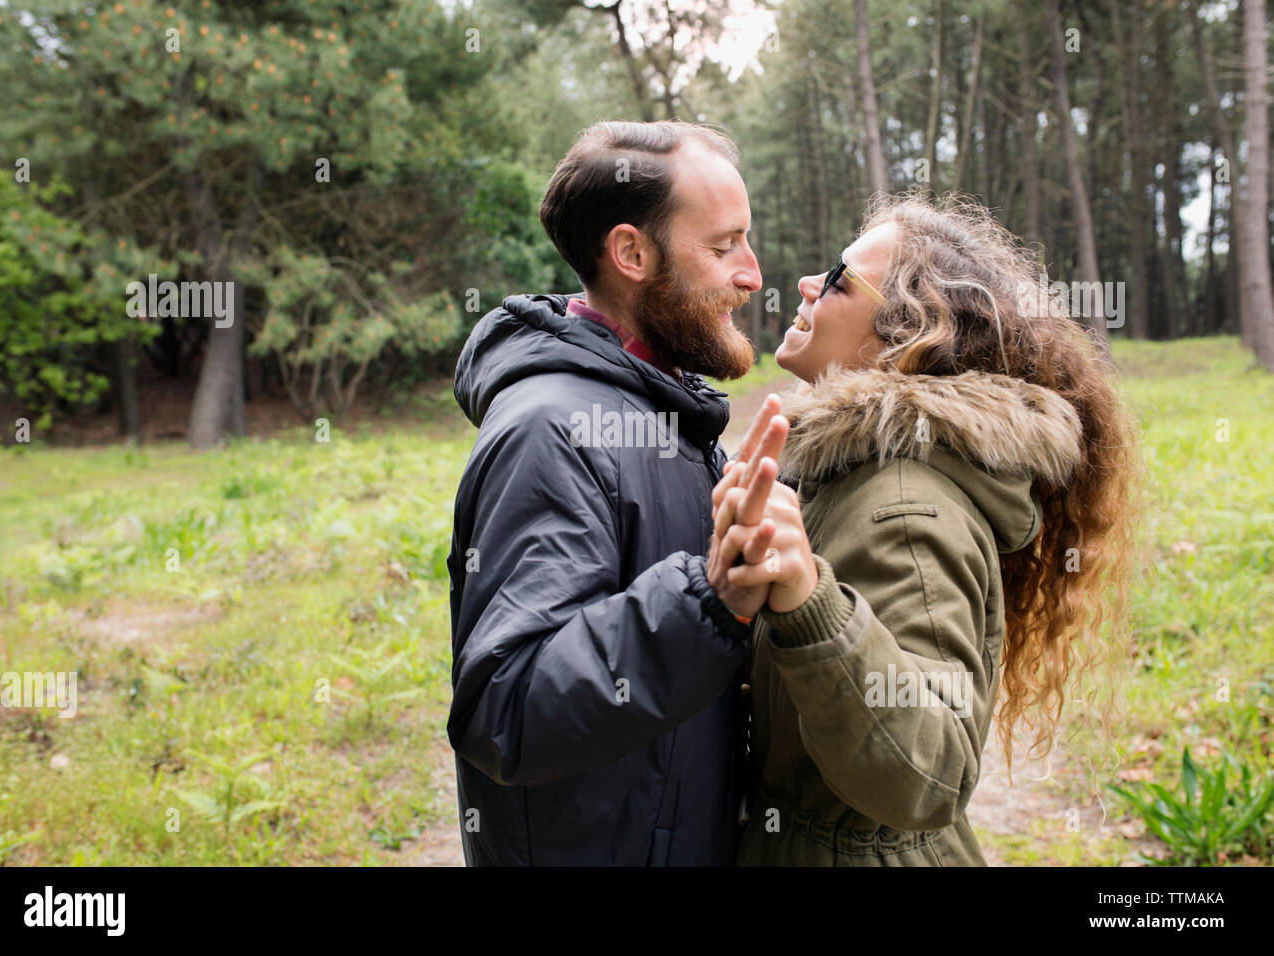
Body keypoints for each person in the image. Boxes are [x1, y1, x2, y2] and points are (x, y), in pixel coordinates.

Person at [707, 193, 1142, 865]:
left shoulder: (903, 503)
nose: (804, 284)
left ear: (904, 338)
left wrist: (807, 600)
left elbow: (926, 774)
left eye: (838, 278)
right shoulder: (849, 474)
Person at [447, 119, 778, 865]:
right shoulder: (549, 432)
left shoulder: (665, 409)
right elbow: (506, 709)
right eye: (724, 246)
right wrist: (709, 600)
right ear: (631, 253)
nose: (753, 273)